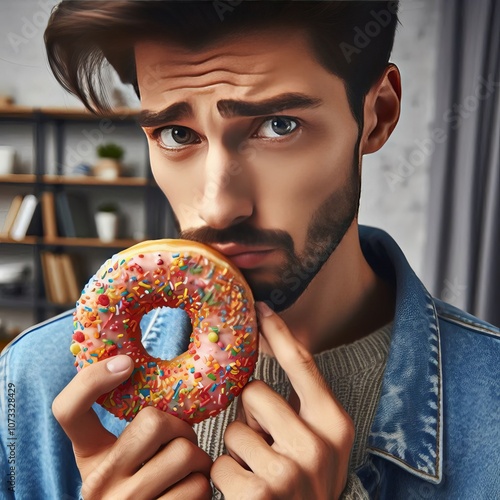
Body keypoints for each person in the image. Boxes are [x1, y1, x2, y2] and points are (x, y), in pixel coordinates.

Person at [1, 1, 499, 498]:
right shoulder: (30, 386)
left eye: (278, 125)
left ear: (378, 115)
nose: (218, 208)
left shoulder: (489, 409)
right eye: (177, 134)